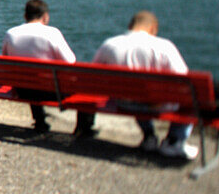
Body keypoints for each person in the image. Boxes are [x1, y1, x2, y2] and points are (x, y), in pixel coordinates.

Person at [75, 10, 199, 160]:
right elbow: (185, 81)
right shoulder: (164, 46)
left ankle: (149, 137)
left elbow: (93, 74)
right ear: (153, 28)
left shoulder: (110, 44)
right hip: (156, 105)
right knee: (193, 98)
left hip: (123, 103)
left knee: (136, 93)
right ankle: (174, 141)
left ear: (130, 25)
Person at [2, 0, 76, 133]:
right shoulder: (52, 33)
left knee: (29, 77)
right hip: (51, 92)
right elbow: (70, 61)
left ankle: (39, 121)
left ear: (25, 16)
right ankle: (84, 128)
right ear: (45, 16)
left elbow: (5, 62)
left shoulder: (11, 33)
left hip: (22, 90)